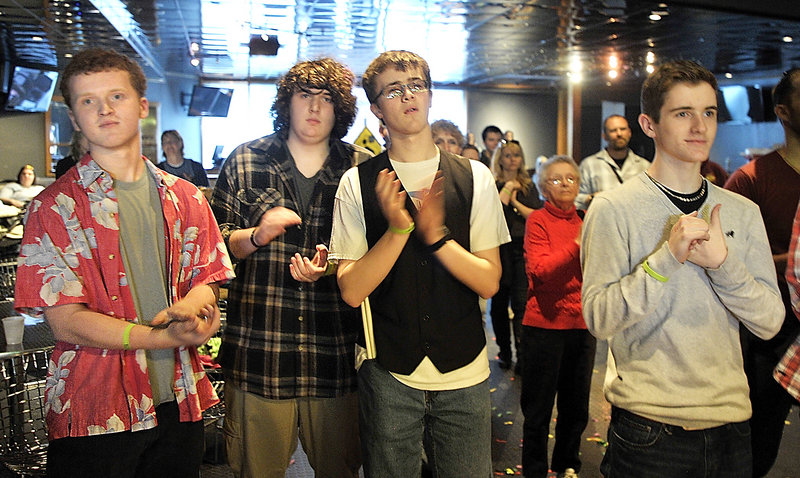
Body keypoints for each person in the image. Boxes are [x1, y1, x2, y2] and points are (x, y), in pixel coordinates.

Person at [13, 48, 234, 477]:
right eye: (88, 101)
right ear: (75, 118)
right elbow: (65, 321)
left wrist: (198, 310)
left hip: (179, 398)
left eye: (116, 96)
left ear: (141, 106)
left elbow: (208, 280)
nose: (104, 109)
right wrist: (160, 339)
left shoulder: (186, 196)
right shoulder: (54, 207)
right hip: (95, 411)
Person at [581, 59, 783, 477]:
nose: (700, 126)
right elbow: (599, 318)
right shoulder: (612, 209)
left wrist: (723, 266)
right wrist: (664, 261)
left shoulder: (742, 212)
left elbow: (770, 322)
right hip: (649, 428)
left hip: (732, 424)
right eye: (682, 113)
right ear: (649, 125)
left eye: (708, 112)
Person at [329, 50, 508, 477]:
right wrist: (398, 231)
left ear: (429, 95)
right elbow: (352, 290)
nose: (408, 96)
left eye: (416, 85)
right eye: (393, 90)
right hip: (390, 371)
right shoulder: (357, 182)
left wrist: (437, 238)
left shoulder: (474, 176)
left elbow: (489, 281)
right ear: (376, 109)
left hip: (464, 371)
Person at [210, 58, 370, 478]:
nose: (315, 107)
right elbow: (213, 249)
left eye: (327, 98)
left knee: (341, 469)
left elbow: (380, 254)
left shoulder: (362, 167)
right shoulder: (246, 160)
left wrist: (333, 266)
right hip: (259, 351)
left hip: (335, 353)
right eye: (305, 95)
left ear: (341, 109)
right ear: (287, 102)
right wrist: (257, 236)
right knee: (256, 471)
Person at [728, 67, 800, 477]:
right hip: (769, 332)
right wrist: (791, 261)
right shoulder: (752, 180)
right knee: (758, 447)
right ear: (783, 112)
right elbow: (730, 264)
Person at [521, 155, 594, 478]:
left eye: (571, 178)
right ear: (543, 186)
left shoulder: (587, 220)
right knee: (537, 408)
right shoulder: (537, 220)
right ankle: (534, 470)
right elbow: (540, 272)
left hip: (582, 324)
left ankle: (567, 465)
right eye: (556, 179)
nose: (565, 184)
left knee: (575, 407)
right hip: (544, 325)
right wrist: (577, 247)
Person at [491, 140, 543, 371]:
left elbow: (535, 216)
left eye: (516, 155)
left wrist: (514, 199)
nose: (512, 159)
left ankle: (523, 356)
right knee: (499, 305)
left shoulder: (529, 186)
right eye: (508, 155)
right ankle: (504, 351)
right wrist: (506, 189)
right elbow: (494, 212)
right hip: (498, 248)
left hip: (522, 249)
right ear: (500, 159)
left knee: (522, 304)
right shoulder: (491, 183)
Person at [575, 114, 648, 210]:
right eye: (613, 130)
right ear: (604, 136)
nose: (619, 134)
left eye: (623, 129)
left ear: (629, 133)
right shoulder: (588, 165)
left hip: (637, 222)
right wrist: (592, 198)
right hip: (602, 222)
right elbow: (575, 199)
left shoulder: (644, 166)